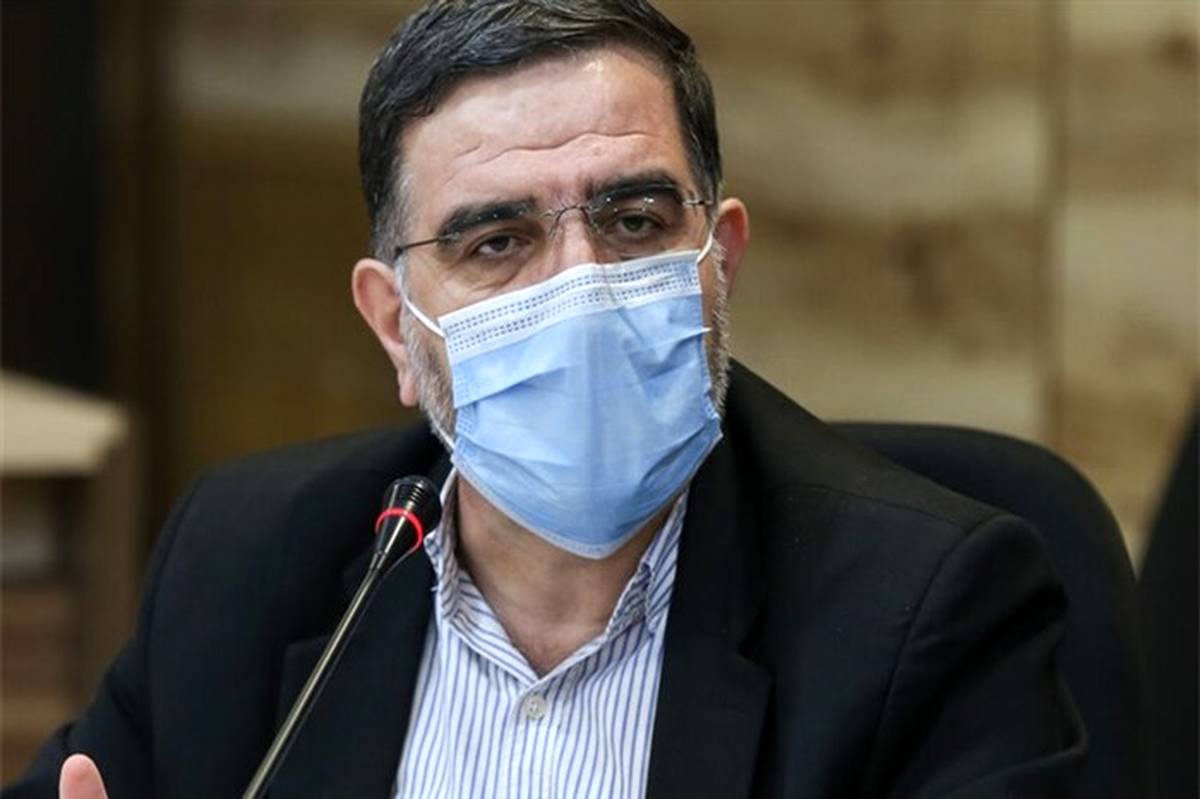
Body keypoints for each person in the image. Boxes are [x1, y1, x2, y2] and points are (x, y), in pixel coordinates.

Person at [8, 1, 1086, 797]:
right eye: (497, 241)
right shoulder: (246, 560)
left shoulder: (929, 613)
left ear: (719, 260)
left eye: (633, 221)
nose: (579, 286)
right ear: (394, 324)